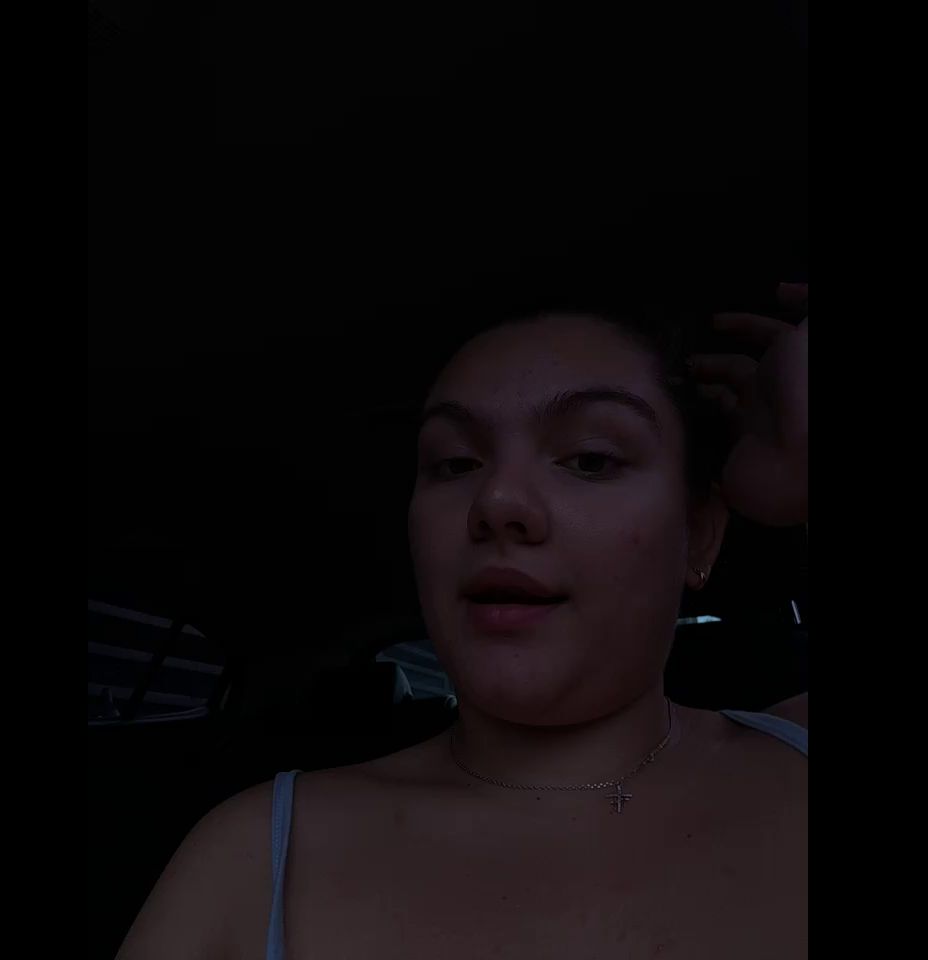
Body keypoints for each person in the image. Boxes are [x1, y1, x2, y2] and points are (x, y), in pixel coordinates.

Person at [116, 281, 808, 960]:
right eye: (454, 464)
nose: (496, 500)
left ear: (699, 531)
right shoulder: (253, 857)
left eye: (590, 459)